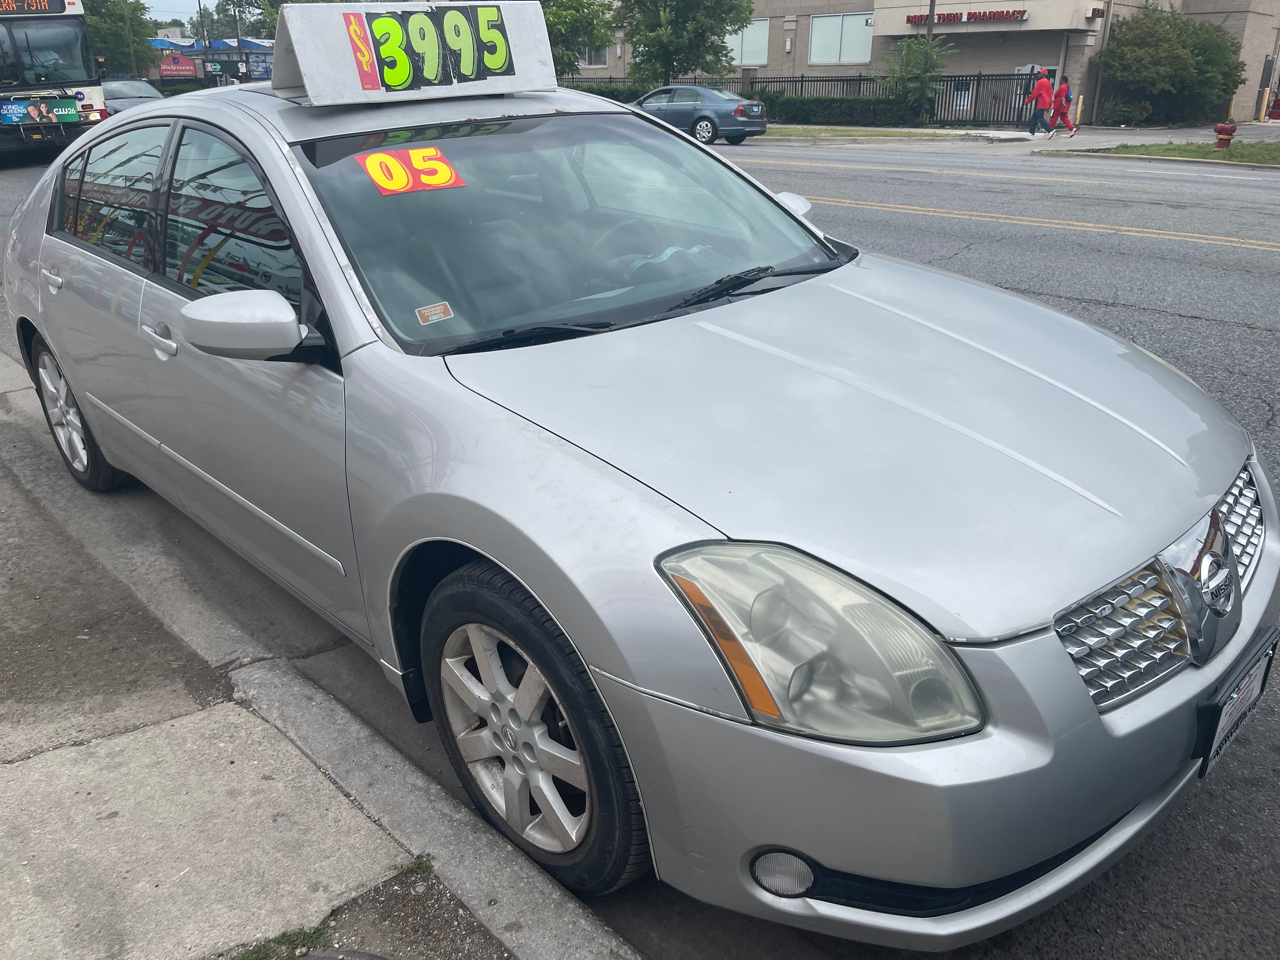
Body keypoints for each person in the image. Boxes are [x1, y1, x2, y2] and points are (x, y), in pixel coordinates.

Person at [1024, 68, 1054, 138]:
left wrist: (1027, 101)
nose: (1038, 74)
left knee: (1040, 118)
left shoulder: (1040, 82)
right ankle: (1031, 132)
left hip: (1041, 102)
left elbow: (1034, 93)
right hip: (1046, 102)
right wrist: (1049, 105)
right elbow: (1050, 94)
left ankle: (1050, 130)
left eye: (1039, 73)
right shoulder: (1048, 83)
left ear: (1044, 74)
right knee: (1034, 117)